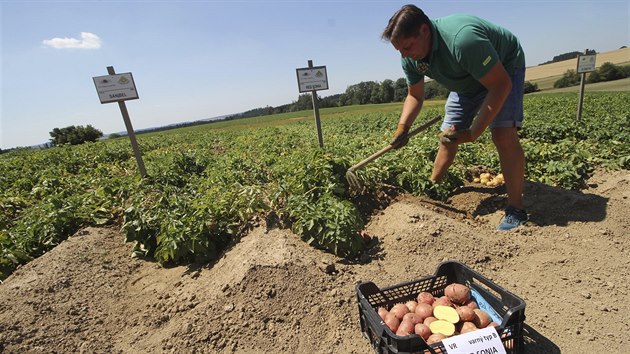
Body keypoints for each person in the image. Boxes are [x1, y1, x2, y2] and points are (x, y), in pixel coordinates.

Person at [382, 4, 528, 231]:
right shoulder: (410, 56)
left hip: (504, 69)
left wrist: (472, 133)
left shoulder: (463, 40)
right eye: (399, 50)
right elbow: (415, 96)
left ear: (424, 31)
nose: (404, 55)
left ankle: (515, 209)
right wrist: (402, 128)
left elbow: (500, 85)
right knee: (447, 137)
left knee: (502, 134)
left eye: (407, 47)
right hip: (464, 82)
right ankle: (432, 189)